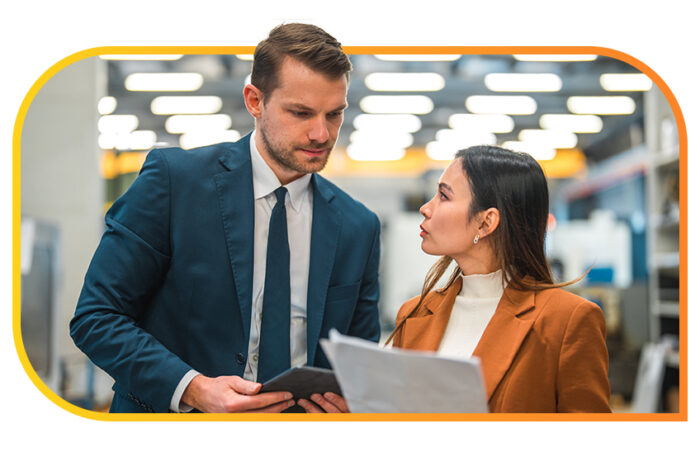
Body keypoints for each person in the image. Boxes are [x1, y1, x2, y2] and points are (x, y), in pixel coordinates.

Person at [70, 23, 381, 414]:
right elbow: (97, 317)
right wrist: (193, 388)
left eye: (334, 114)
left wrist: (351, 406)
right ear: (255, 100)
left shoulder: (358, 227)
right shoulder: (174, 182)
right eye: (300, 113)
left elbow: (361, 362)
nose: (321, 133)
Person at [388, 145, 611, 413]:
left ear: (485, 223)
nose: (426, 208)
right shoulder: (413, 314)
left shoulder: (567, 322)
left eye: (444, 196)